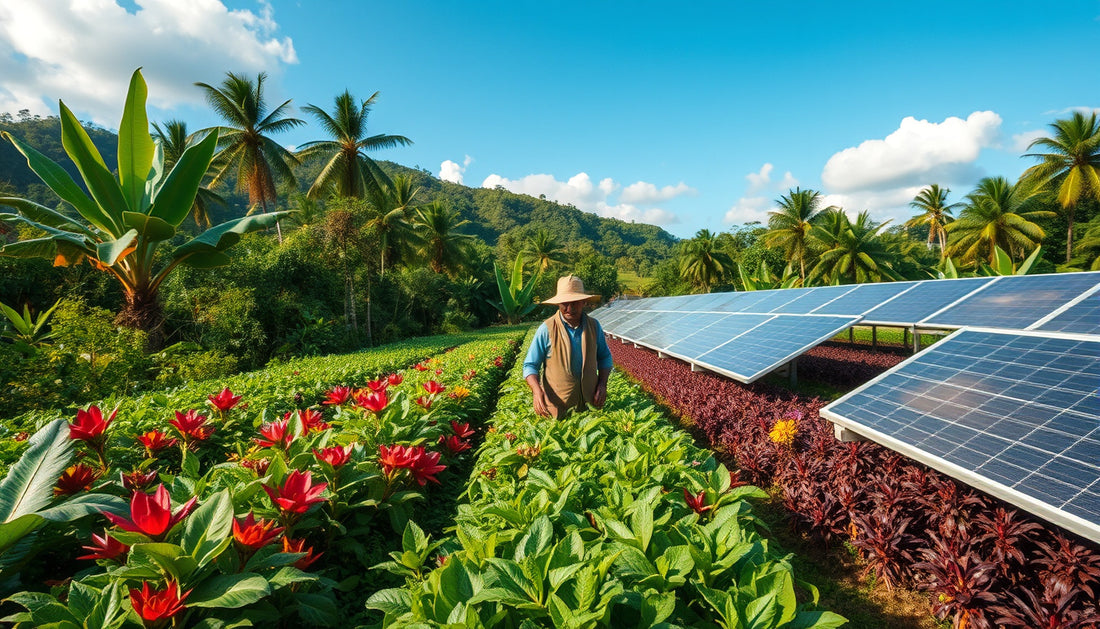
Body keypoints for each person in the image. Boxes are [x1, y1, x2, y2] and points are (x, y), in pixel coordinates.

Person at [523, 275, 613, 418]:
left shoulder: (594, 326)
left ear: (584, 302)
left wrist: (602, 384)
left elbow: (605, 357)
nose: (570, 308)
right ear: (558, 303)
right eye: (565, 303)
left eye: (575, 302)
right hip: (557, 410)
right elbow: (530, 365)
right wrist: (536, 390)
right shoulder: (547, 329)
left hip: (591, 408)